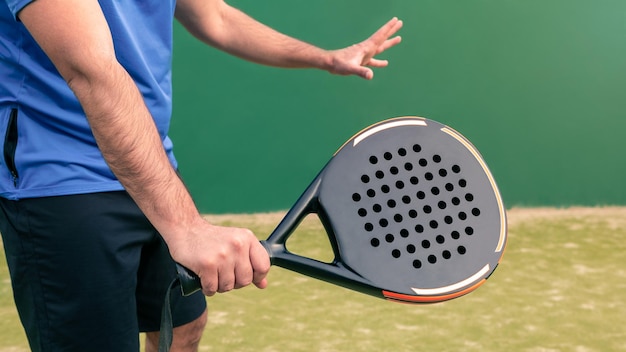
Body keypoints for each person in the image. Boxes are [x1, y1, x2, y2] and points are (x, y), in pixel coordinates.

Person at [0, 0, 403, 351]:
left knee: (183, 326)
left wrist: (323, 57)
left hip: (150, 167)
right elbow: (91, 70)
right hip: (59, 178)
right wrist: (186, 227)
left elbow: (216, 17)